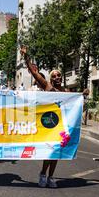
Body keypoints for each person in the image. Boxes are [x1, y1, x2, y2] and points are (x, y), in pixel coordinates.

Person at [20, 46, 67, 188]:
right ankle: (43, 173)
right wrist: (26, 57)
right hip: (47, 123)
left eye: (59, 75)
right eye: (54, 76)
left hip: (60, 125)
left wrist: (82, 95)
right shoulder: (47, 86)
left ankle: (51, 177)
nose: (57, 77)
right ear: (50, 79)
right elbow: (34, 73)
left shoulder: (66, 91)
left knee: (57, 151)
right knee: (49, 151)